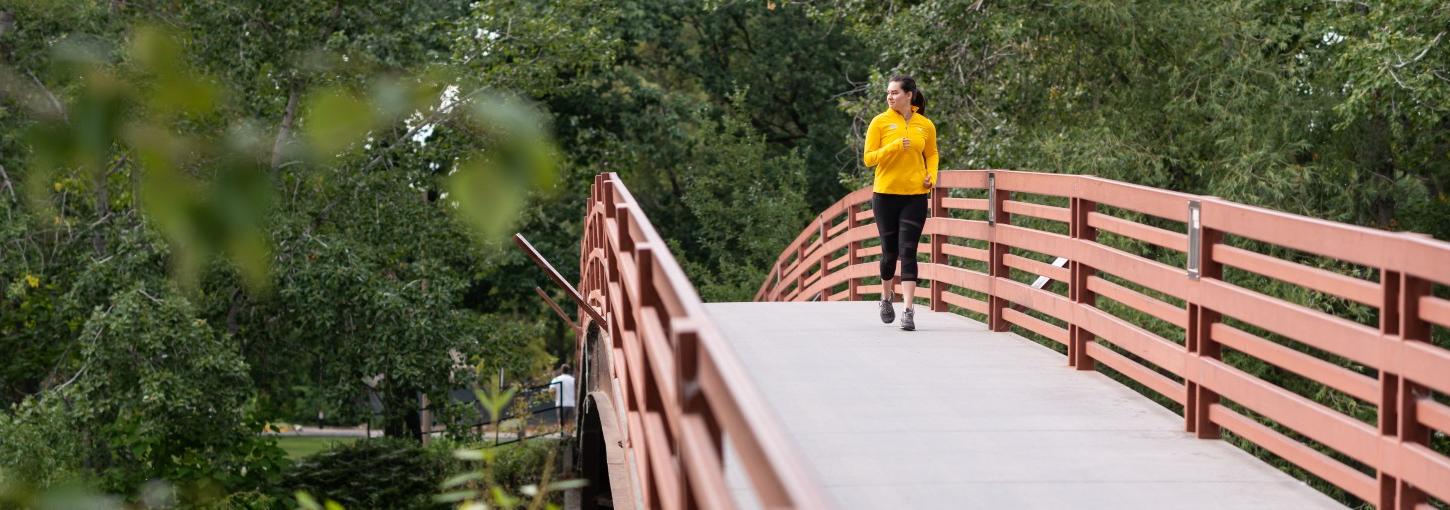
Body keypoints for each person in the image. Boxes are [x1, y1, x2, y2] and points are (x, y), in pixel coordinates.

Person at [862, 75, 938, 331]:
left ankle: (908, 310)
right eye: (888, 93)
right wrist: (893, 147)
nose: (890, 97)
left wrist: (932, 177)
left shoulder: (925, 124)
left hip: (915, 196)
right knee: (889, 253)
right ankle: (886, 297)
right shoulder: (879, 122)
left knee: (908, 251)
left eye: (894, 92)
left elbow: (933, 154)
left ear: (909, 95)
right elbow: (869, 159)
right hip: (885, 195)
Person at [549, 364, 576, 433]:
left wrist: (554, 397)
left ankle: (563, 435)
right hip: (571, 404)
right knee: (570, 422)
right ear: (569, 371)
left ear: (561, 370)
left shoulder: (556, 379)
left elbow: (551, 390)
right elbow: (577, 390)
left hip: (560, 403)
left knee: (561, 421)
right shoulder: (573, 380)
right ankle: (569, 435)